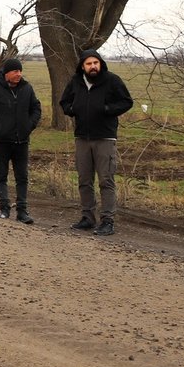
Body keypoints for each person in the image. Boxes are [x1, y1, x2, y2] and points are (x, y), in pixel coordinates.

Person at [58, 49, 134, 236]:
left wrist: (107, 109)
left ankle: (107, 220)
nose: (93, 66)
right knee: (84, 180)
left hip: (105, 138)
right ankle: (87, 217)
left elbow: (126, 102)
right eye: (89, 64)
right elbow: (64, 102)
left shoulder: (112, 80)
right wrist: (72, 109)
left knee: (106, 180)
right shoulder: (76, 81)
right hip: (82, 137)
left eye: (96, 63)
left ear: (100, 64)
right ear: (82, 66)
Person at [0, 58, 43, 223]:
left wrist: (29, 125)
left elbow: (36, 108)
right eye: (15, 71)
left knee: (22, 177)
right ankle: (4, 209)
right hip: (1, 142)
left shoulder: (27, 89)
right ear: (6, 73)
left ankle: (22, 211)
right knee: (1, 176)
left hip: (22, 141)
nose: (18, 74)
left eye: (20, 71)